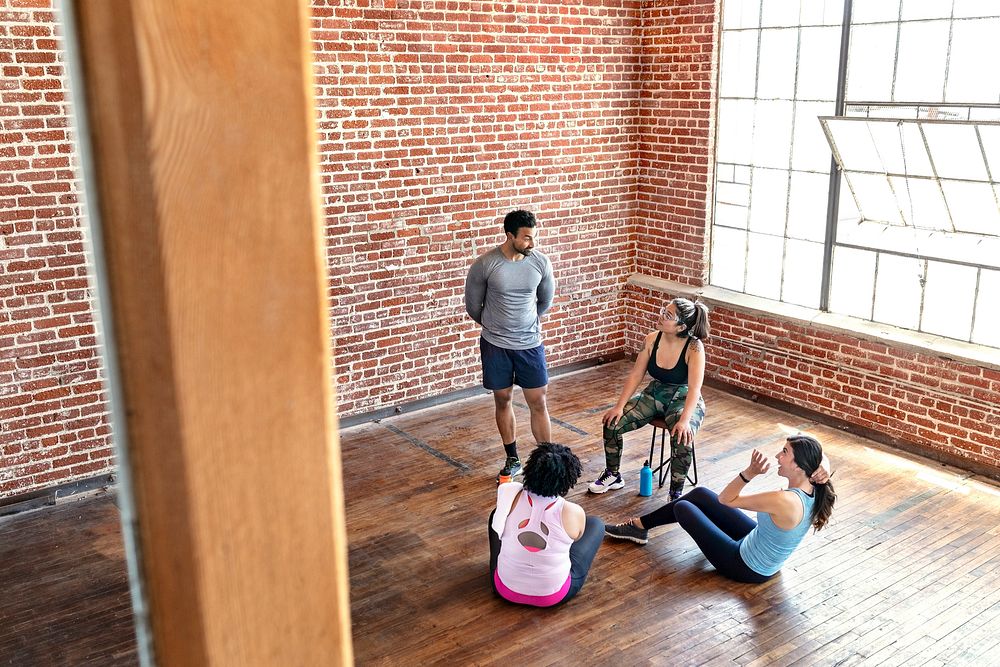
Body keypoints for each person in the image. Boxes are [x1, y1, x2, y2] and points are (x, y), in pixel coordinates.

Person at [604, 435, 835, 584]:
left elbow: (727, 499)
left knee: (684, 507)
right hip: (758, 542)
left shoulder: (784, 500)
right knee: (701, 494)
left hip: (746, 566)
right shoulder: (814, 483)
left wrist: (750, 473)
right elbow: (818, 454)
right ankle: (639, 526)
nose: (777, 456)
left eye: (784, 452)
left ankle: (642, 528)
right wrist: (824, 463)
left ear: (798, 465)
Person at [465, 210, 555, 482]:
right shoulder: (485, 264)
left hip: (529, 344)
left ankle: (546, 461)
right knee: (503, 399)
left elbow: (545, 303)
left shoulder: (540, 263)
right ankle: (512, 457)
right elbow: (473, 307)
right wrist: (497, 328)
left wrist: (523, 325)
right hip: (496, 346)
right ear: (509, 236)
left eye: (534, 237)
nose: (532, 244)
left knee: (538, 401)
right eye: (527, 238)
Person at [588, 297, 709, 498]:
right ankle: (613, 475)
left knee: (682, 436)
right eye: (663, 310)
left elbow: (696, 388)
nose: (661, 315)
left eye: (668, 315)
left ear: (680, 327)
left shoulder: (694, 347)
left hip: (685, 398)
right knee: (612, 423)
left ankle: (676, 494)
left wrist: (685, 420)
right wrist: (619, 406)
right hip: (655, 393)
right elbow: (636, 374)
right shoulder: (652, 339)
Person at [488, 443, 604, 606]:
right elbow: (578, 537)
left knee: (496, 514)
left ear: (529, 471)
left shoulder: (509, 494)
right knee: (597, 524)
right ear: (568, 482)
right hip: (552, 596)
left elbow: (497, 524)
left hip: (504, 589)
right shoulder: (572, 511)